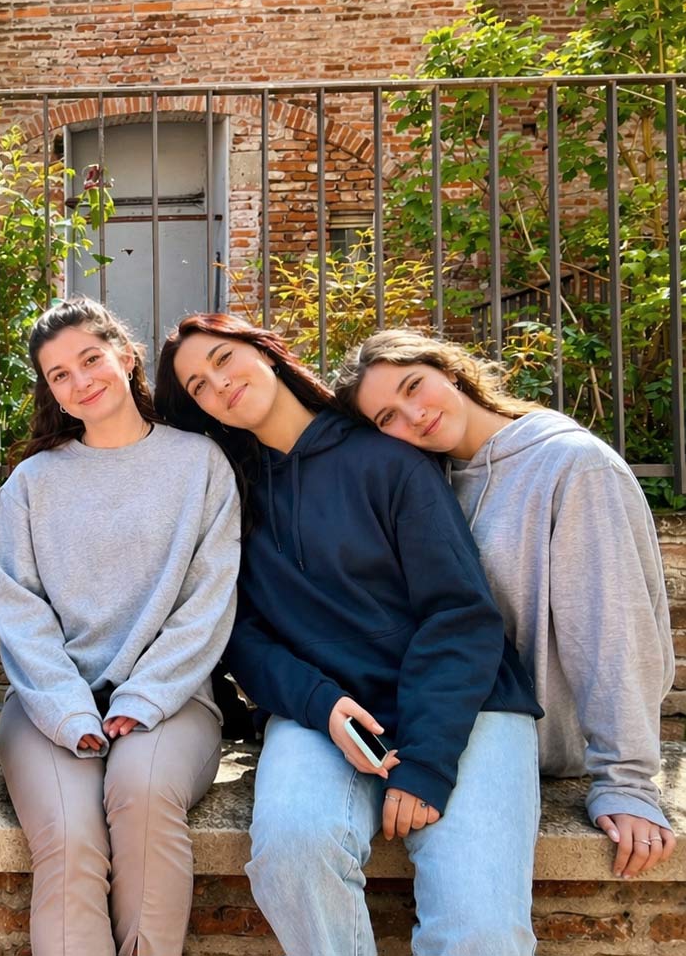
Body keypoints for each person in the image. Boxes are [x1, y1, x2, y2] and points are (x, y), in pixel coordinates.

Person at [155, 313, 542, 956]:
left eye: (223, 359)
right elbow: (237, 633)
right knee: (291, 854)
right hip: (321, 711)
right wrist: (320, 704)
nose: (217, 383)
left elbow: (460, 614)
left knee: (481, 931)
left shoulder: (388, 459)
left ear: (265, 352)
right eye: (197, 385)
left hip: (465, 704)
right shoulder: (225, 493)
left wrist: (427, 759)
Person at [335, 329, 676, 880]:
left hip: (536, 738)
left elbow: (613, 630)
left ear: (451, 371)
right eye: (387, 417)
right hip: (455, 727)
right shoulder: (429, 480)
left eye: (414, 386)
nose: (414, 415)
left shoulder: (572, 464)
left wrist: (627, 781)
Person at [0, 297, 240, 956]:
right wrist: (69, 710)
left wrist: (144, 697)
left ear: (125, 356)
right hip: (48, 703)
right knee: (70, 838)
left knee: (142, 796)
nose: (80, 381)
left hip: (173, 698)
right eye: (59, 374)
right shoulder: (31, 484)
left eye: (90, 359)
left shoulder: (200, 464)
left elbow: (207, 600)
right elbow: (19, 612)